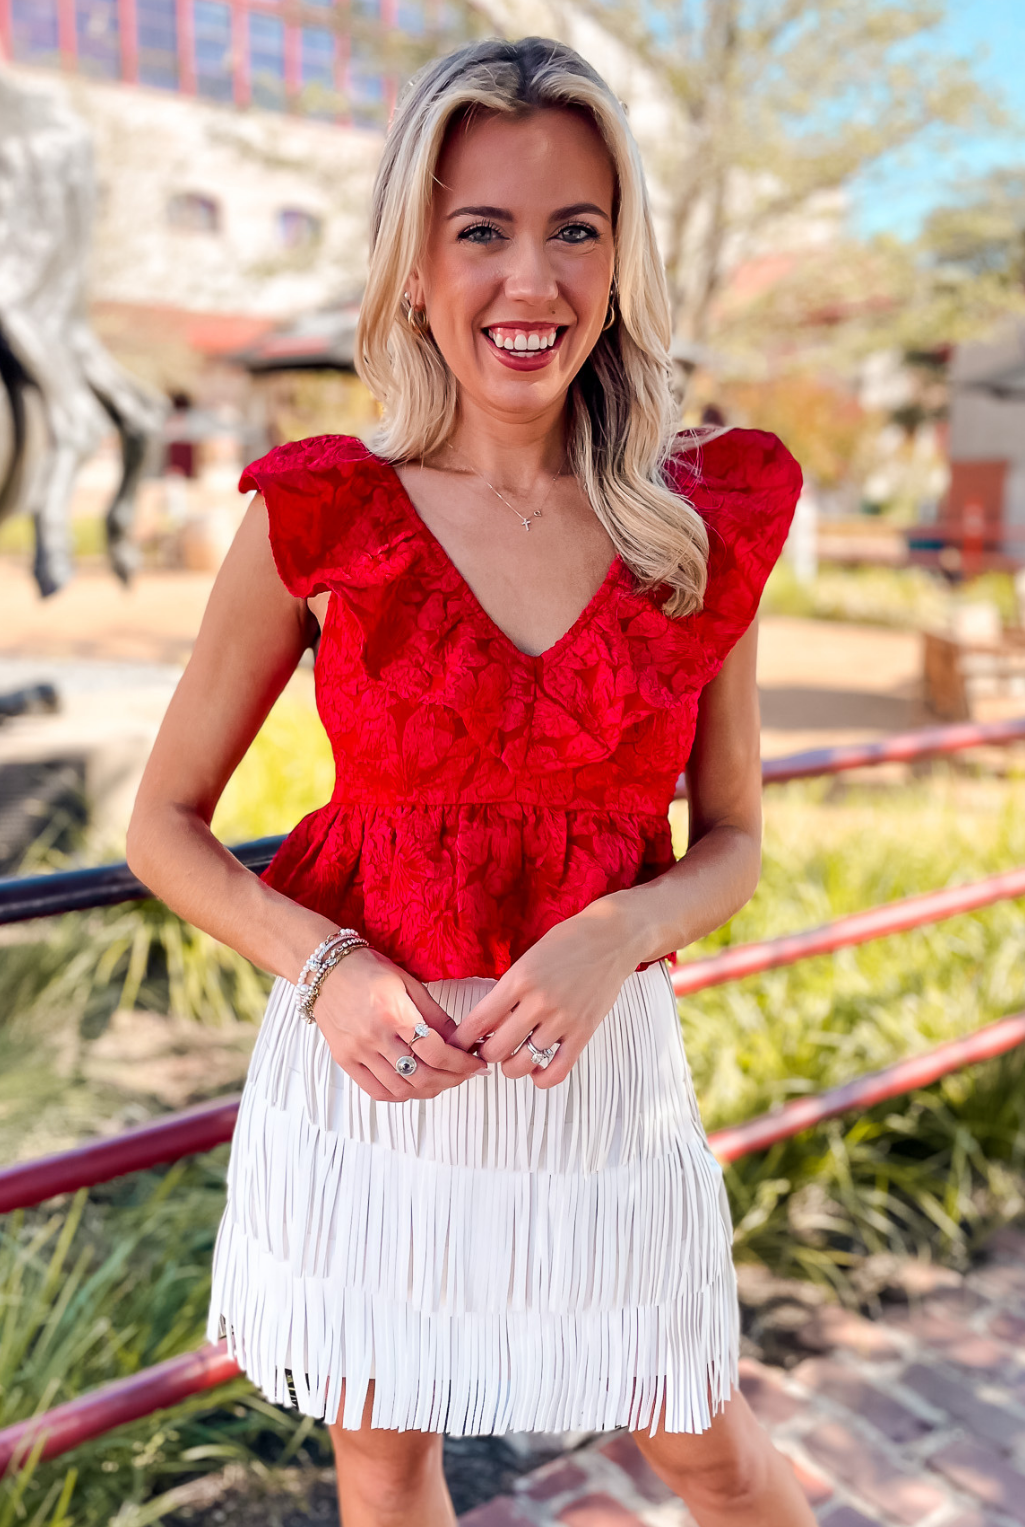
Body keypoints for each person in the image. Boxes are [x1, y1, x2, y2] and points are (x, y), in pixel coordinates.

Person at [126, 36, 807, 1527]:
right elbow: (158, 826)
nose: (532, 283)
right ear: (415, 262)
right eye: (481, 231)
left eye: (577, 229)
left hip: (600, 1087)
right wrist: (328, 970)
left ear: (624, 257)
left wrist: (618, 928)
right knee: (383, 1459)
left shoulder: (694, 523)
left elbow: (738, 840)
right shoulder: (323, 514)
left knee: (697, 1437)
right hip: (373, 1081)